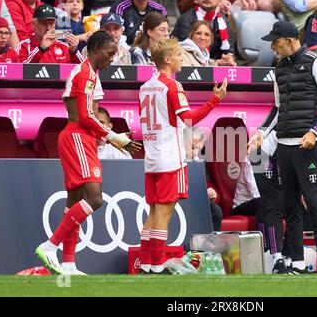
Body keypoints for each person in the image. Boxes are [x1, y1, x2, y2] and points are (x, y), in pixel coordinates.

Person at [35, 31, 142, 275]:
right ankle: (50, 245)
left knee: (74, 202)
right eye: (109, 53)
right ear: (94, 50)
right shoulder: (85, 74)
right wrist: (114, 137)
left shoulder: (91, 74)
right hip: (77, 138)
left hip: (82, 138)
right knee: (94, 199)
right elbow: (85, 117)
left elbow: (90, 116)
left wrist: (114, 141)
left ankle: (69, 264)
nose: (112, 59)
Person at [255, 21, 317, 274]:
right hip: (284, 145)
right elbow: (278, 107)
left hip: (309, 146)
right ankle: (295, 262)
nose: (272, 46)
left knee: (315, 204)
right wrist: (260, 132)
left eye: (275, 41)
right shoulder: (279, 68)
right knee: (290, 204)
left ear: (290, 40)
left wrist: (315, 132)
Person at [138, 37, 227, 274]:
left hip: (152, 158)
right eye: (178, 55)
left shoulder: (144, 87)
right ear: (167, 59)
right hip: (170, 157)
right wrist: (215, 100)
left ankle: (146, 264)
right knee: (163, 214)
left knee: (153, 212)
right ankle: (157, 266)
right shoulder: (172, 85)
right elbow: (188, 119)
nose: (181, 59)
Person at [172, 0, 236, 65]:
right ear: (196, 0)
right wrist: (216, 63)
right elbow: (183, 51)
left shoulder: (223, 21)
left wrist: (229, 58)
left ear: (220, 1)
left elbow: (229, 49)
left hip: (214, 66)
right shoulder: (186, 19)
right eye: (198, 33)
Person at [184, 126, 223, 231]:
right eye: (192, 147)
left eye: (198, 149)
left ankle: (210, 245)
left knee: (215, 211)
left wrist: (211, 195)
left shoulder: (197, 162)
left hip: (194, 202)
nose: (195, 153)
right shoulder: (173, 160)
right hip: (175, 200)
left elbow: (206, 185)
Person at [16, 4, 83, 63]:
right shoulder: (24, 46)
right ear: (34, 24)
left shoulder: (64, 46)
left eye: (51, 23)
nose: (48, 28)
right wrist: (41, 49)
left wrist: (73, 52)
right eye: (44, 23)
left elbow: (83, 69)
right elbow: (19, 71)